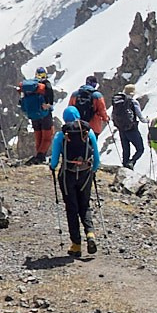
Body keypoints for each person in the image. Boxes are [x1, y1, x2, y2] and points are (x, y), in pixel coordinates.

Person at [47, 106, 100, 258]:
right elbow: (96, 158)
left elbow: (54, 161)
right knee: (85, 205)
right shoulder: (87, 132)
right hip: (85, 174)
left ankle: (76, 245)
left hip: (67, 175)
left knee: (72, 208)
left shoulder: (61, 135)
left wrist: (52, 167)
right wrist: (93, 170)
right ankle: (90, 234)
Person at [18, 70, 59, 164]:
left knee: (38, 135)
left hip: (33, 115)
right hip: (44, 114)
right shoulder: (45, 84)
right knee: (47, 136)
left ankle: (39, 155)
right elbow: (50, 100)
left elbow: (21, 100)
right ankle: (40, 156)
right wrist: (48, 105)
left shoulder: (29, 86)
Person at [110, 84, 144, 169]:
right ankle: (132, 162)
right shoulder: (133, 102)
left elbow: (112, 116)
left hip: (121, 129)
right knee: (140, 149)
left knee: (126, 150)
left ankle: (125, 166)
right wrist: (147, 121)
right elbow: (140, 117)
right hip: (132, 129)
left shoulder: (118, 101)